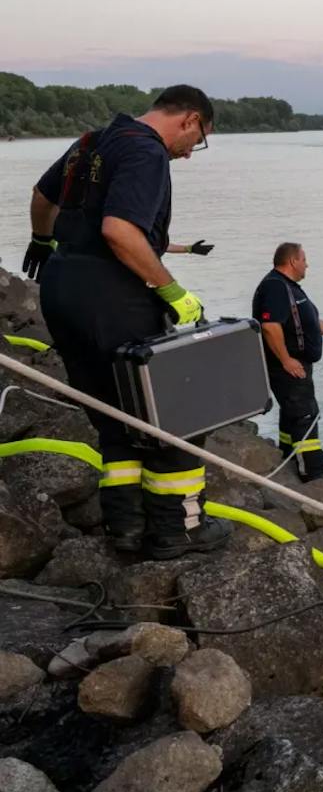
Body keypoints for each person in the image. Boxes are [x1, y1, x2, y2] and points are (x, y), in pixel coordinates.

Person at [25, 85, 229, 559]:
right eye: (197, 142)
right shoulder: (146, 150)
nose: (189, 155)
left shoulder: (91, 141)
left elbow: (42, 195)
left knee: (113, 415)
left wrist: (41, 239)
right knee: (171, 410)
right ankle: (179, 526)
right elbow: (120, 230)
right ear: (190, 119)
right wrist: (172, 291)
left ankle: (127, 528)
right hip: (112, 294)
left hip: (60, 289)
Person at [251, 242, 323, 481]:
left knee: (293, 412)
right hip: (286, 365)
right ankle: (312, 472)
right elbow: (269, 326)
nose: (307, 264)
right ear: (292, 261)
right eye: (304, 259)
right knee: (304, 414)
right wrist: (286, 360)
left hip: (297, 363)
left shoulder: (291, 288)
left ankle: (288, 454)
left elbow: (309, 320)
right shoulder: (276, 287)